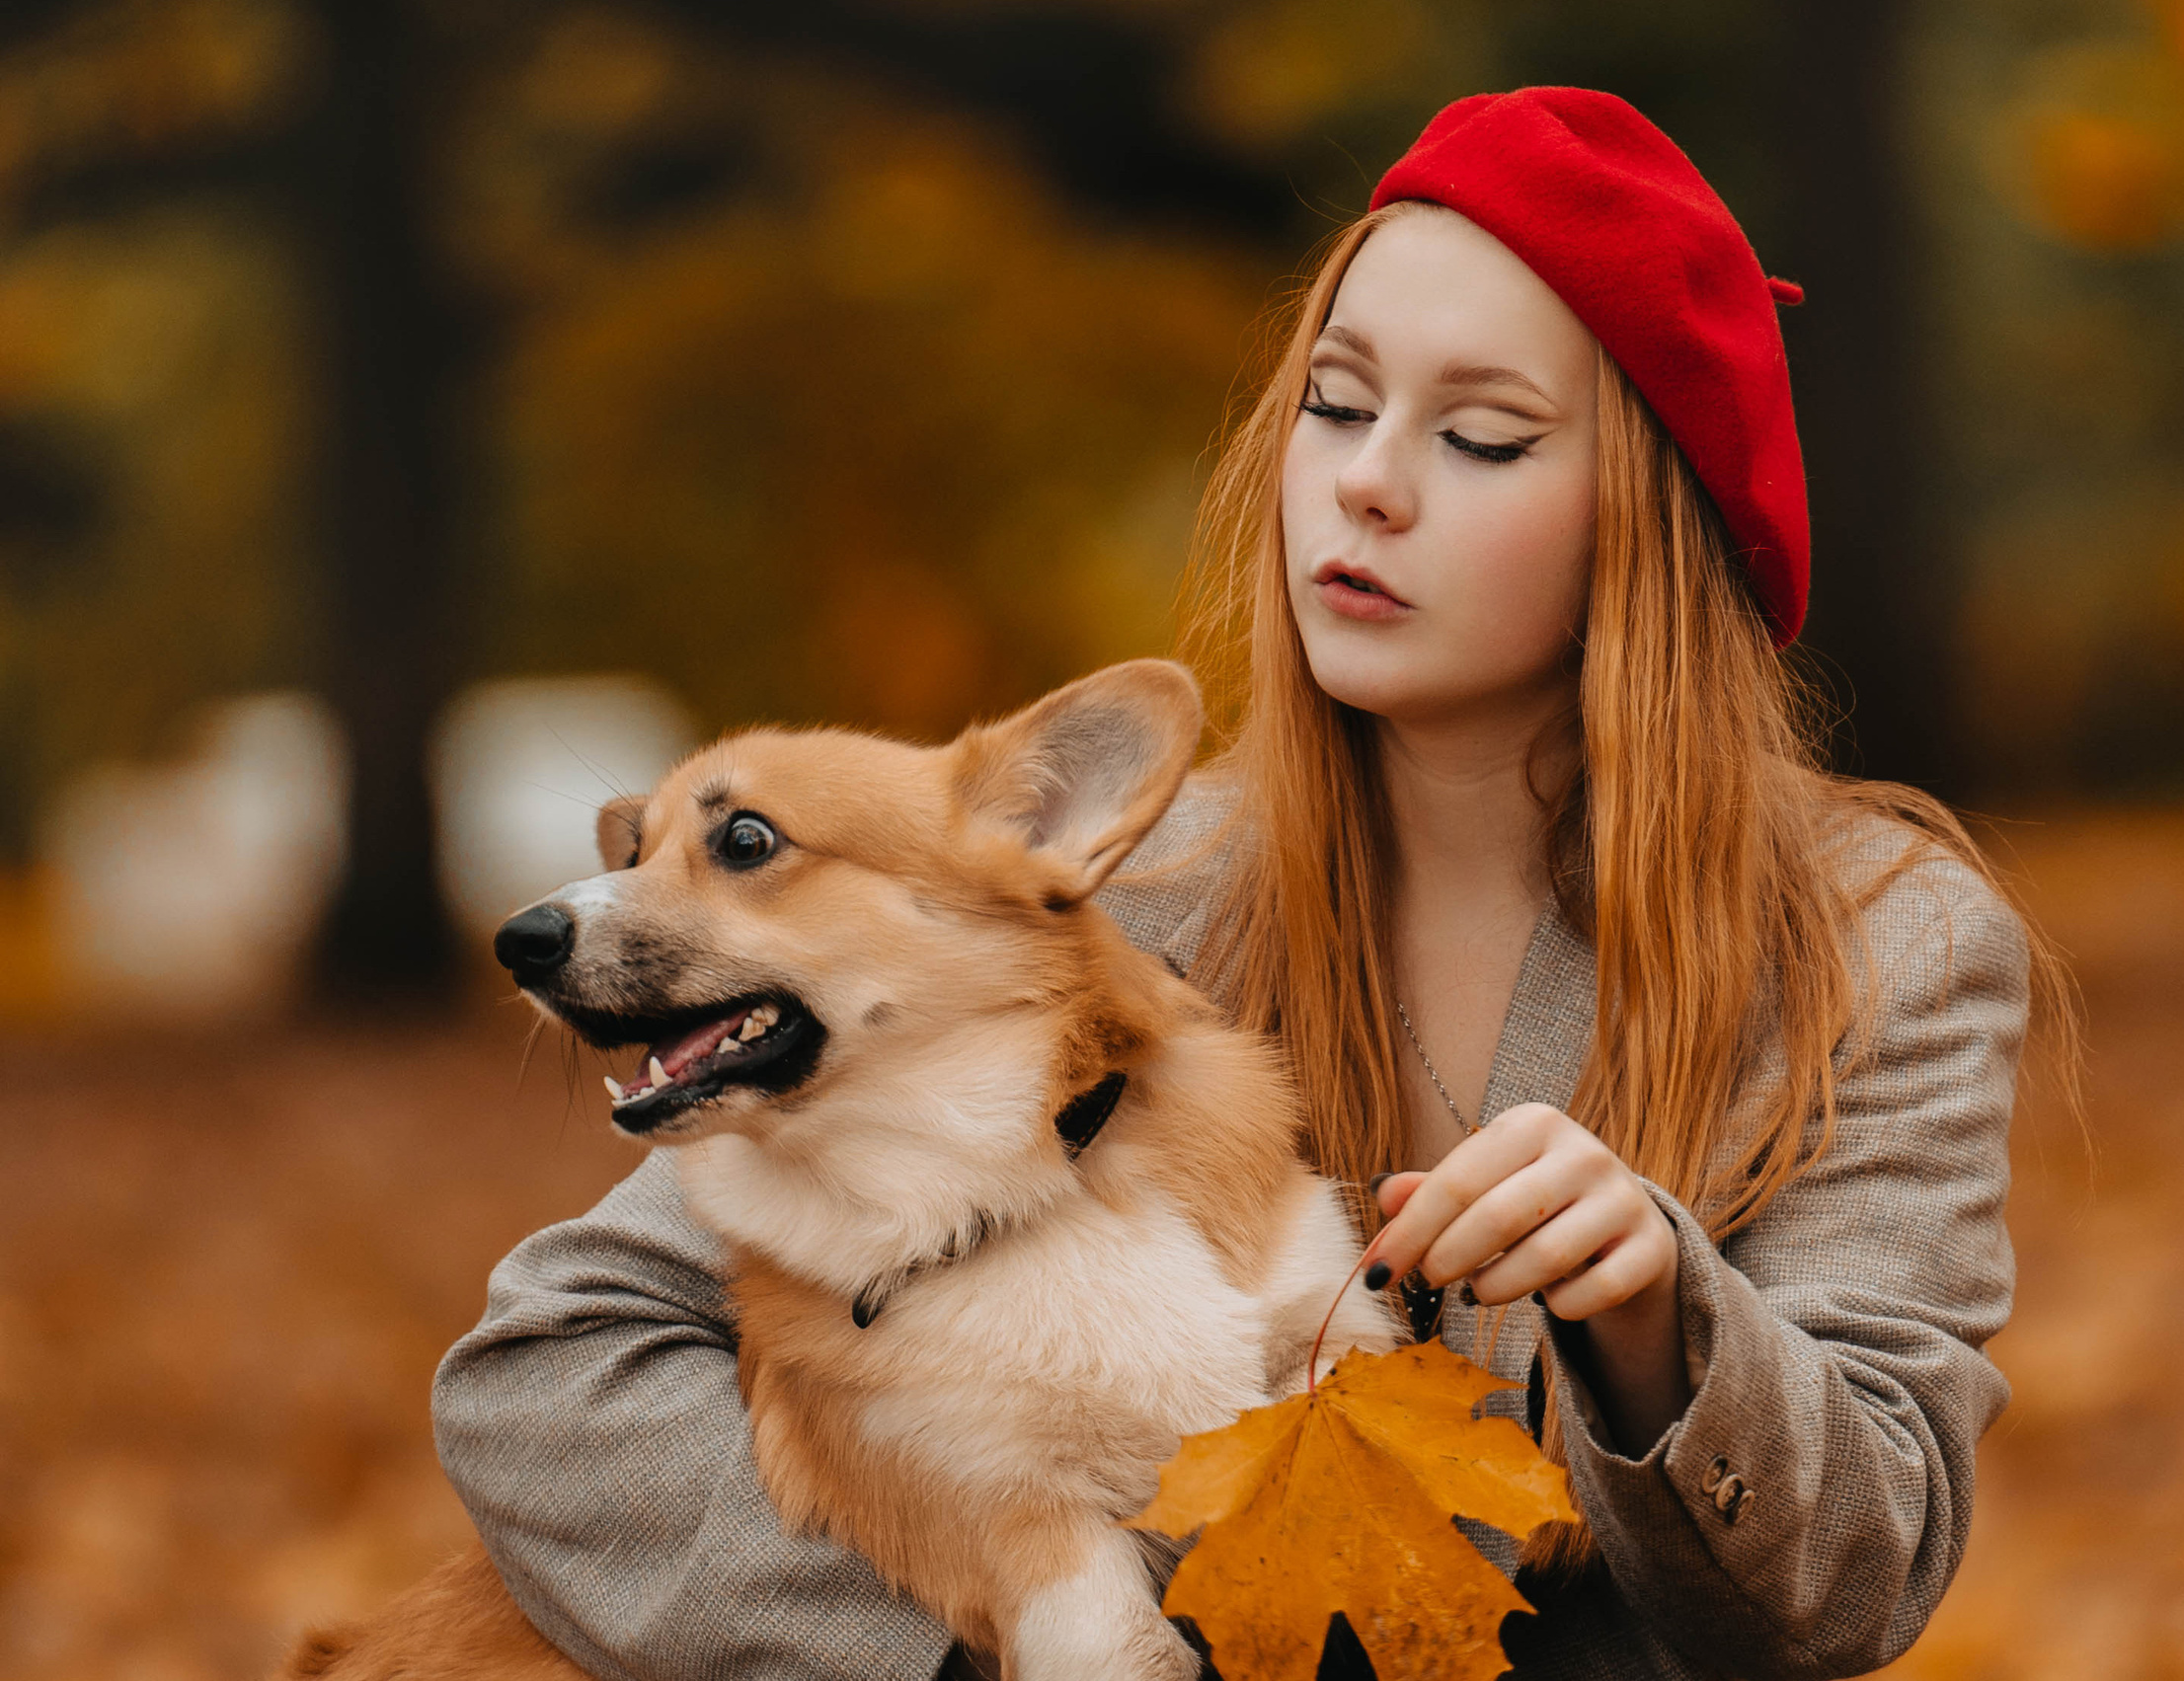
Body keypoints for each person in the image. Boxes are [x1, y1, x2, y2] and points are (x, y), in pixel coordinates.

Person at [432, 87, 2069, 1680]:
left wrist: (1659, 1315)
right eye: (1339, 405)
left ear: (1651, 522)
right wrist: (990, 1638)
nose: (1367, 481)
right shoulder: (1099, 900)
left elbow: (1854, 1582)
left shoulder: (1886, 945)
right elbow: (547, 1379)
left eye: (1483, 436)